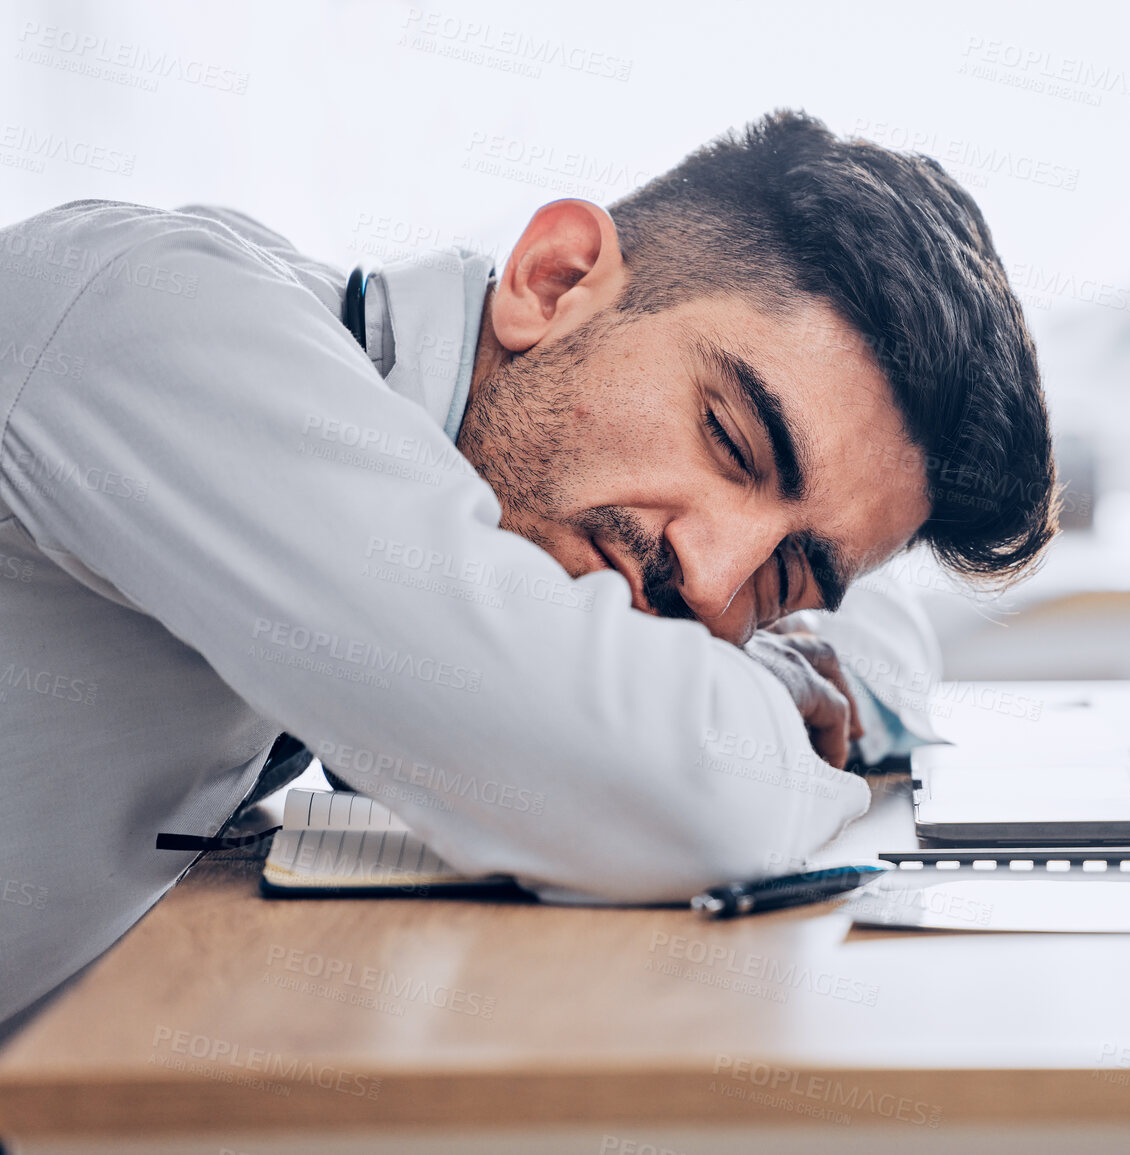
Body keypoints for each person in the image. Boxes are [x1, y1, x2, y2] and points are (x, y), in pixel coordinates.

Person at [0, 110, 1057, 1027]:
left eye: (788, 575)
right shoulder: (165, 323)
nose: (712, 577)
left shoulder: (444, 463)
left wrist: (804, 661)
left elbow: (881, 645)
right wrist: (762, 698)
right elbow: (678, 794)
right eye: (731, 441)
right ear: (555, 282)